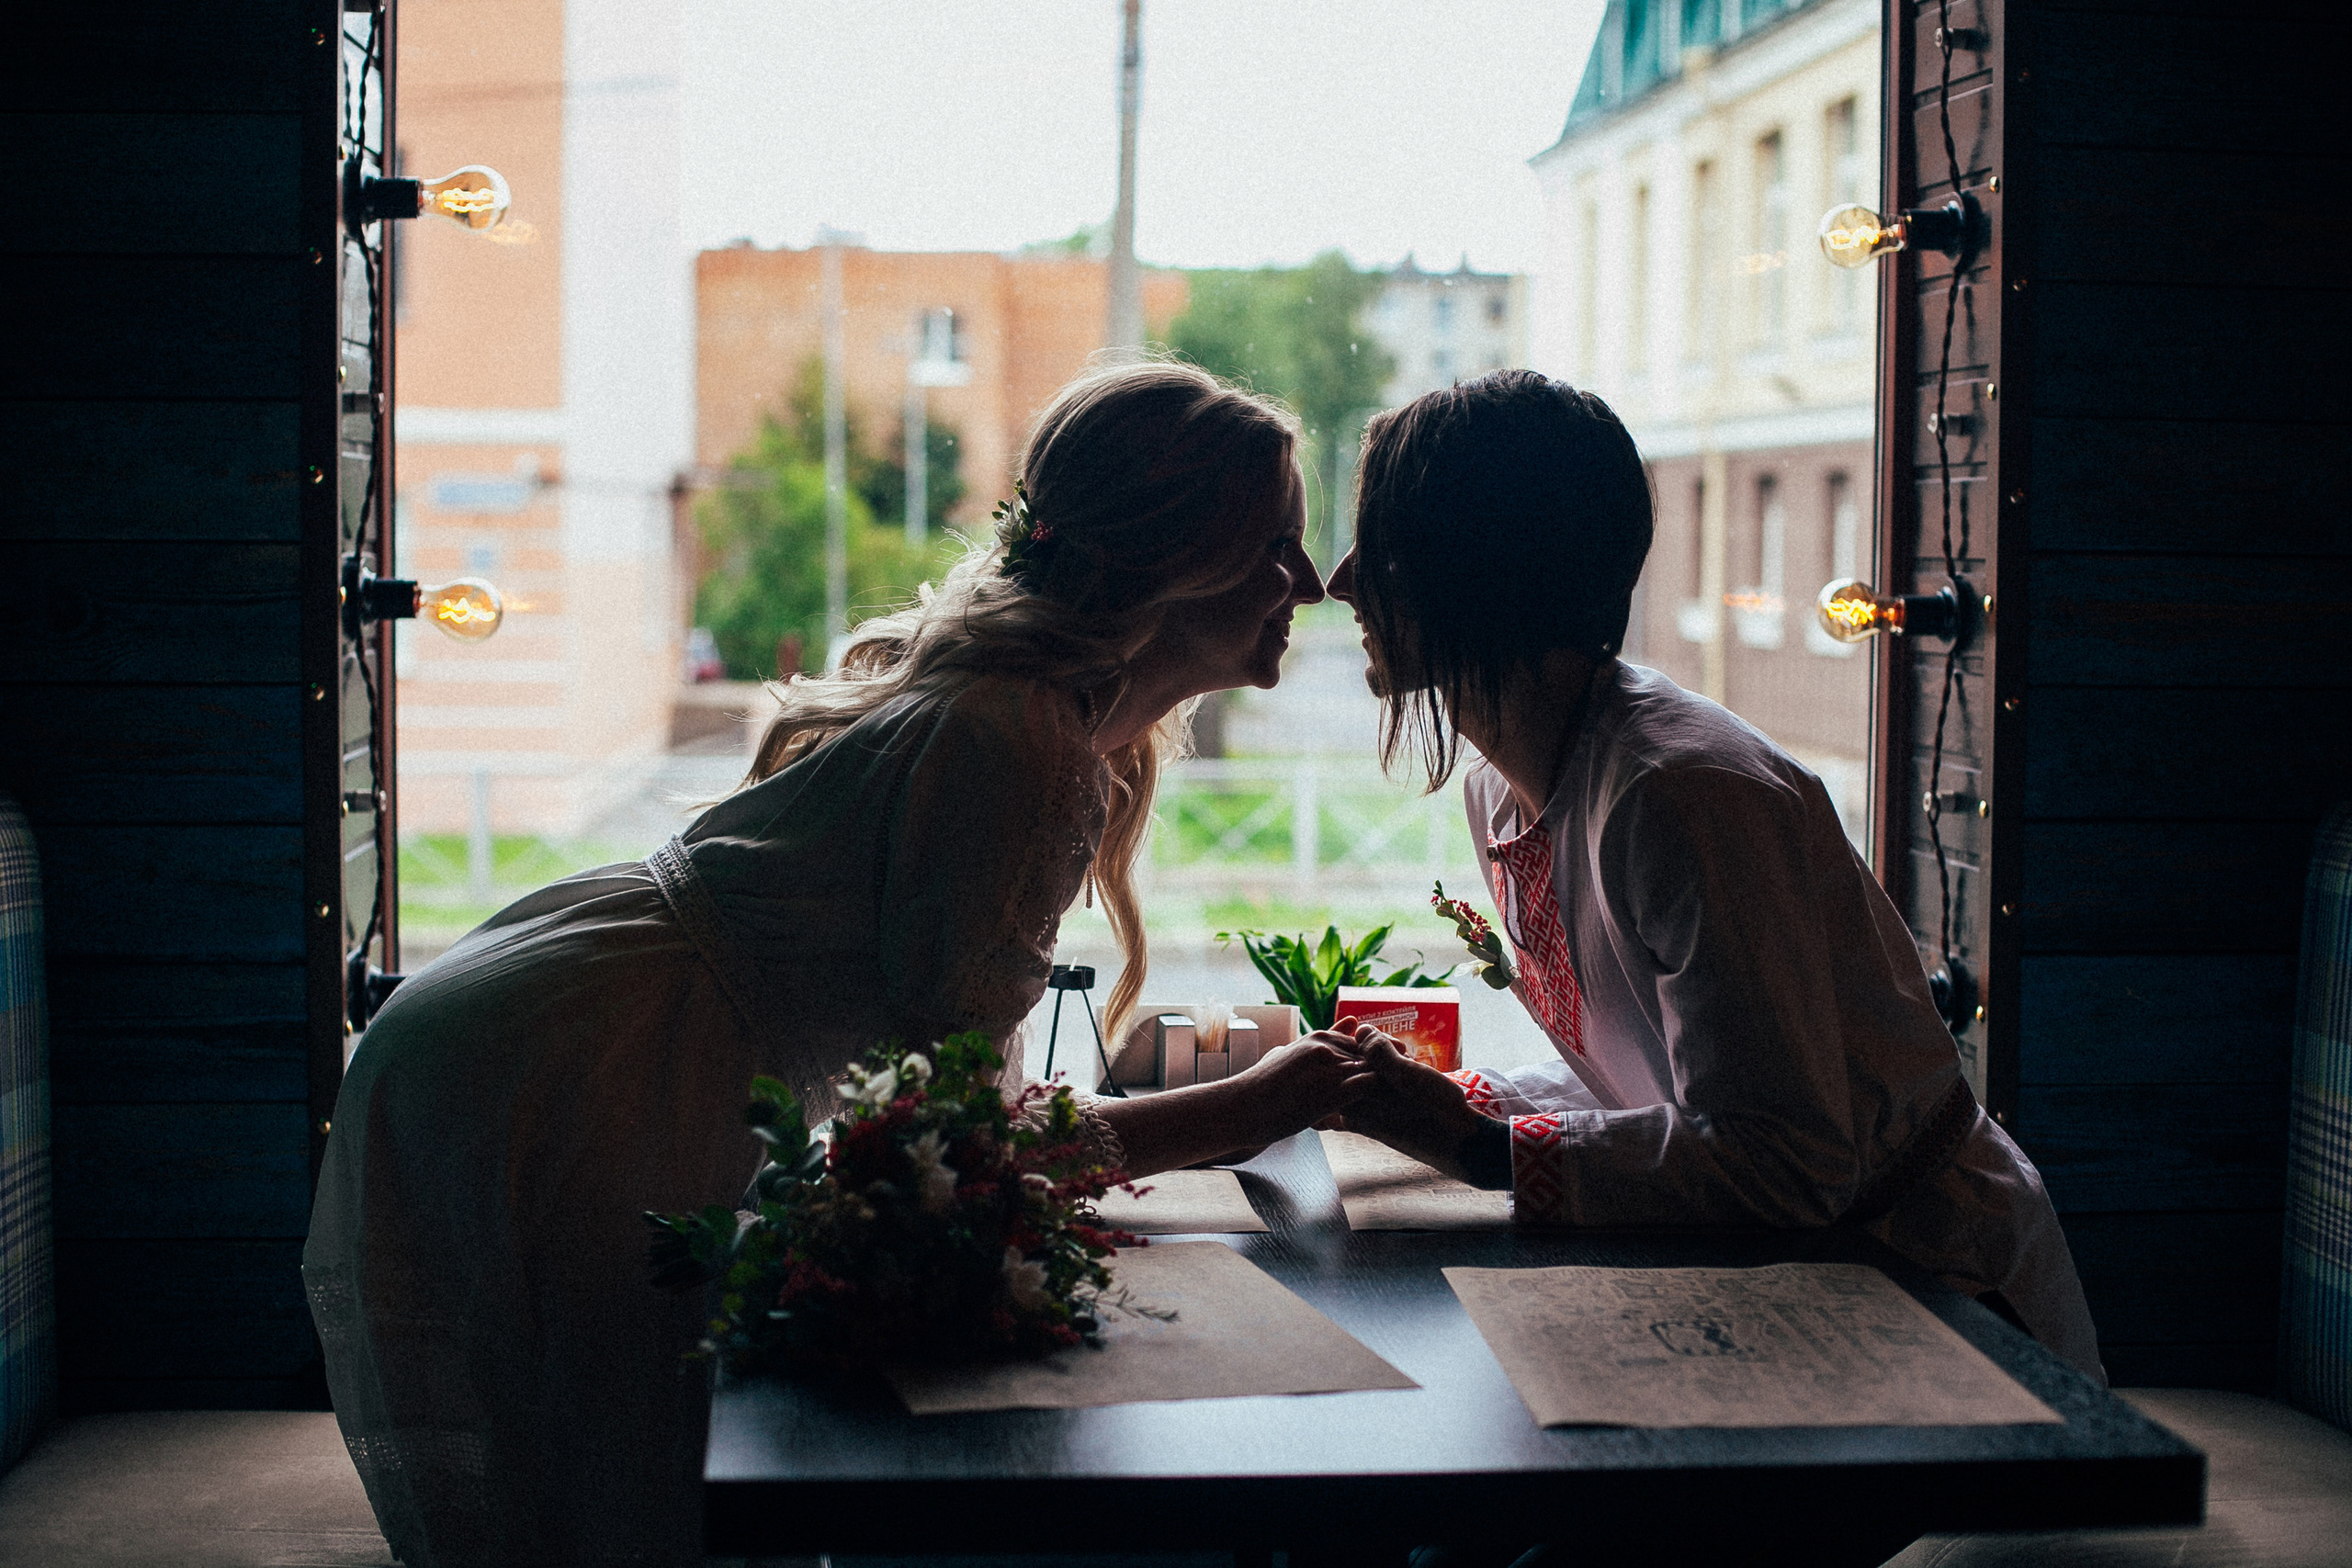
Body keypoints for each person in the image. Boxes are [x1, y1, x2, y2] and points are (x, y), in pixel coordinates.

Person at [303, 361, 1375, 1568]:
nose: (1312, 581)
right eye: (1273, 543)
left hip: (579, 1013)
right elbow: (963, 1140)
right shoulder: (1022, 742)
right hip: (579, 1068)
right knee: (616, 1501)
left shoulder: (1040, 721)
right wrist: (1247, 1109)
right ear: (1172, 558)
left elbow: (954, 1113)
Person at [1320, 369, 2102, 1382]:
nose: (1340, 583)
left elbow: (1785, 1158)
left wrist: (1478, 1149)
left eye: (1380, 552)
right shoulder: (1505, 788)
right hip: (1786, 1292)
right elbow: (1656, 1077)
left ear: (1484, 570)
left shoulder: (1680, 794)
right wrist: (1449, 1100)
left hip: (1938, 1310)